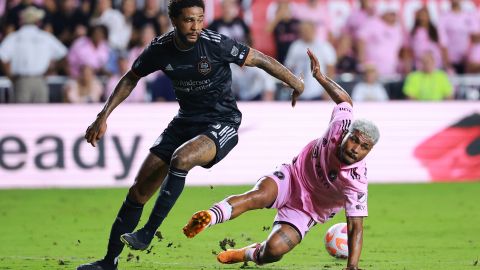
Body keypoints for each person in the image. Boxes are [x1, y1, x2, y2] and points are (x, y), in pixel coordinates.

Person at [77, 0, 304, 269]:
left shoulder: (216, 43)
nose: (196, 26)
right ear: (173, 20)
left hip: (222, 122)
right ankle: (108, 262)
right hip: (184, 122)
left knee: (181, 159)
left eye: (199, 19)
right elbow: (130, 77)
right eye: (188, 20)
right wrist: (103, 115)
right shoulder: (160, 49)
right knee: (138, 191)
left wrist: (295, 82)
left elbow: (260, 59)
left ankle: (148, 232)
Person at [183, 49, 379, 270]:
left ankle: (247, 253)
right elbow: (345, 101)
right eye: (355, 141)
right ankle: (209, 216)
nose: (356, 149)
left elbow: (355, 226)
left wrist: (352, 267)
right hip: (293, 177)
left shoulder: (356, 182)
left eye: (364, 148)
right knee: (258, 195)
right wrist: (320, 77)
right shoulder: (340, 125)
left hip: (309, 210)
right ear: (347, 134)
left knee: (273, 251)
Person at [0, 6, 67, 103]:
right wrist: (50, 71)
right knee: (41, 116)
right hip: (40, 80)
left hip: (22, 81)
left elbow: (2, 56)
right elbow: (63, 55)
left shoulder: (15, 37)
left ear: (22, 21)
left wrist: (10, 76)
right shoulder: (46, 37)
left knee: (21, 115)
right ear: (38, 21)